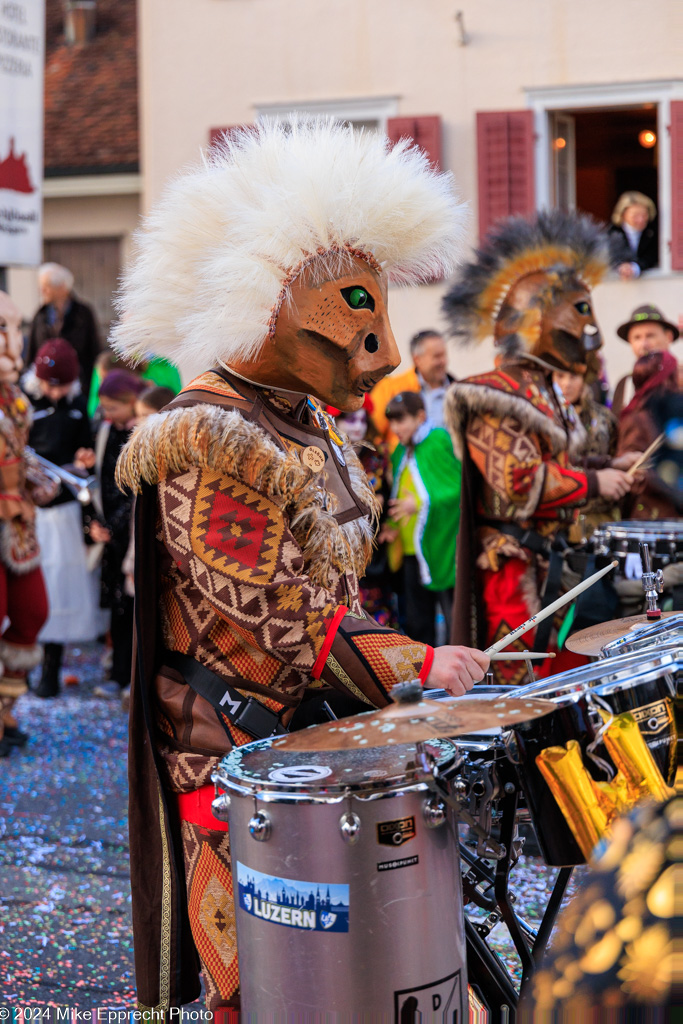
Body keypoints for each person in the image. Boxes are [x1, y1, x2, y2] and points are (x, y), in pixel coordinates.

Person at [110, 118, 486, 1012]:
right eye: (360, 306)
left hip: (300, 755)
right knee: (277, 993)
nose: (387, 351)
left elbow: (328, 594)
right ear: (281, 300)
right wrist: (422, 662)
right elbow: (275, 626)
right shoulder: (211, 436)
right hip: (233, 764)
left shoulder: (295, 418)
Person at [444, 212, 638, 686]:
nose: (588, 328)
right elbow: (517, 482)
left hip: (548, 562)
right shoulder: (497, 392)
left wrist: (608, 465)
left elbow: (554, 462)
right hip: (514, 571)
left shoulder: (538, 389)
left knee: (554, 685)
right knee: (520, 693)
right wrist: (595, 481)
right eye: (580, 309)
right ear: (541, 318)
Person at [22, 338, 99, 697]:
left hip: (64, 510)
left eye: (62, 386)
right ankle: (20, 666)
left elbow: (85, 449)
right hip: (30, 510)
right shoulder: (24, 406)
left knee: (60, 589)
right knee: (27, 583)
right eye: (49, 385)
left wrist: (84, 459)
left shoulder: (77, 407)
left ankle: (51, 667)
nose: (55, 393)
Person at [0, 292, 51, 755]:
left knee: (32, 611)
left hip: (16, 526)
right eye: (2, 329)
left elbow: (21, 453)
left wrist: (37, 477)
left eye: (15, 330)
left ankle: (5, 706)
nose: (13, 344)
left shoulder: (15, 400)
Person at [76, 369, 148, 698]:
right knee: (118, 609)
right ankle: (118, 672)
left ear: (132, 403)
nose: (105, 414)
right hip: (110, 533)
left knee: (135, 608)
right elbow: (99, 480)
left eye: (112, 408)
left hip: (132, 533)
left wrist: (114, 525)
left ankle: (133, 675)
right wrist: (94, 523)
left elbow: (136, 491)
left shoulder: (141, 435)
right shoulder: (105, 431)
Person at [381, 391, 461, 646]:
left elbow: (457, 488)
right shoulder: (399, 452)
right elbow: (398, 493)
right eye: (392, 422)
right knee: (417, 622)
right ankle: (426, 679)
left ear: (421, 417)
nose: (395, 428)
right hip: (409, 552)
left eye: (401, 420)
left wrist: (420, 503)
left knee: (453, 621)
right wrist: (391, 526)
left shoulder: (438, 440)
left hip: (441, 546)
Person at [370, 329, 455, 447]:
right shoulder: (390, 389)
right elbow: (372, 432)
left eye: (444, 354)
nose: (443, 361)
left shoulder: (457, 392)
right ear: (417, 360)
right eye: (437, 356)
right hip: (402, 464)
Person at [27, 263, 101, 397]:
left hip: (77, 387)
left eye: (46, 287)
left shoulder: (83, 313)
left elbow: (94, 350)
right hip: (44, 390)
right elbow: (32, 351)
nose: (41, 291)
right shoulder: (40, 314)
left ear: (62, 288)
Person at [612, 304, 679, 416]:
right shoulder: (625, 384)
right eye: (637, 337)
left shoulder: (679, 378)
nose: (643, 345)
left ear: (668, 337)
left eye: (650, 336)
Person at [608, 190, 658, 280]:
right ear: (623, 214)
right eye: (635, 215)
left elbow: (652, 257)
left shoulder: (653, 233)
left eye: (644, 215)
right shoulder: (611, 233)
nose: (641, 220)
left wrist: (635, 268)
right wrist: (621, 267)